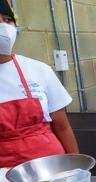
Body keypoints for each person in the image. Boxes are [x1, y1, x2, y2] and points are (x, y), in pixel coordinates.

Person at [0, 0, 79, 168]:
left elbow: (62, 126)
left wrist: (76, 169)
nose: (3, 27)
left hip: (51, 168)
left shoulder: (39, 69)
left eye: (7, 20)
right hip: (4, 175)